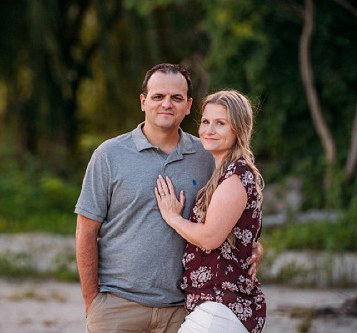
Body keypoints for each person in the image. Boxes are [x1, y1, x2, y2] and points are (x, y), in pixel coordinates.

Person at [75, 64, 263, 333]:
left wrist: (255, 247)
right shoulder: (109, 155)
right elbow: (85, 231)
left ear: (187, 106)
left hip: (182, 310)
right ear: (143, 102)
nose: (166, 104)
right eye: (158, 96)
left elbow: (232, 215)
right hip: (118, 307)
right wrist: (92, 302)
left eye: (176, 98)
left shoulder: (208, 154)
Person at [154, 89, 266, 333]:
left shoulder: (236, 176)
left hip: (220, 306)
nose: (209, 130)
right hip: (213, 306)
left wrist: (172, 217)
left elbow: (210, 237)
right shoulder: (224, 173)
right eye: (205, 122)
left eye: (220, 123)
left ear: (239, 128)